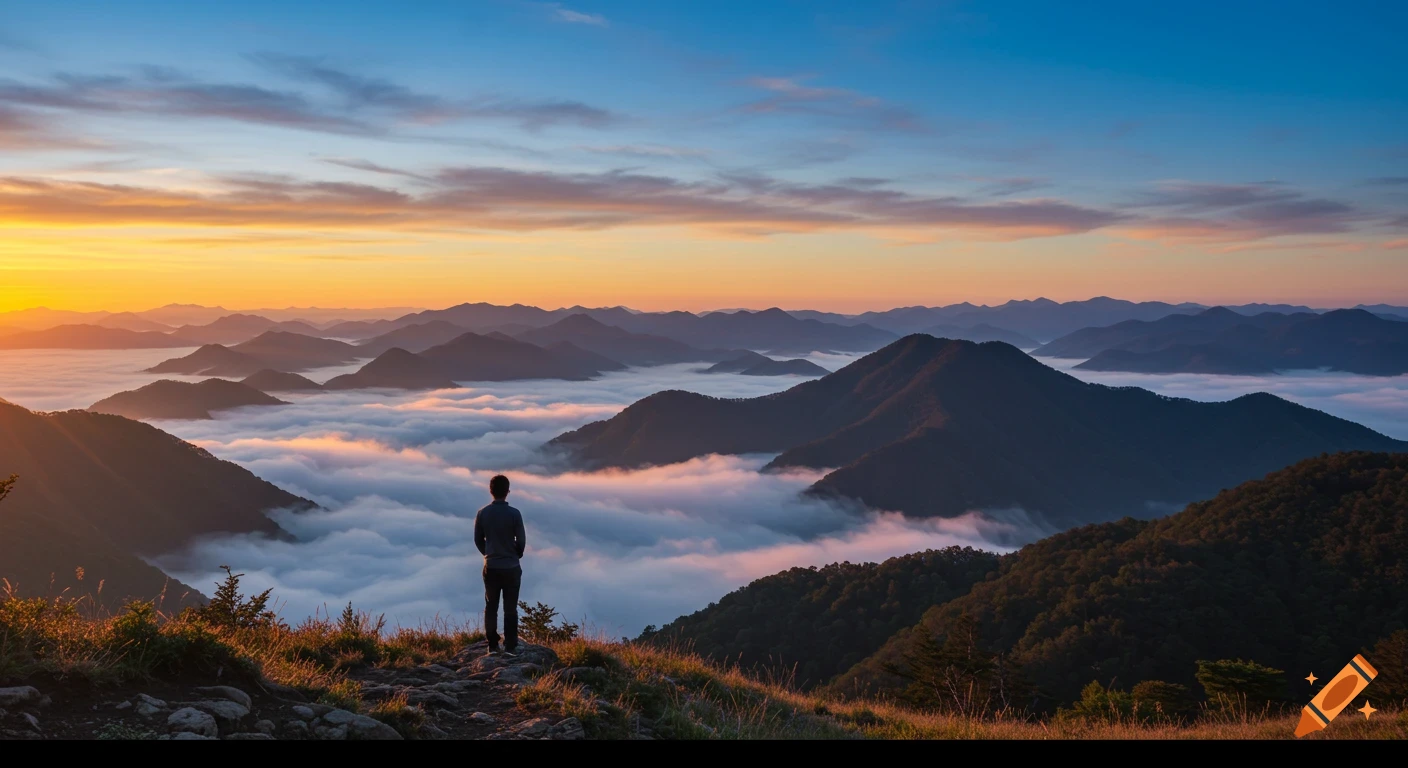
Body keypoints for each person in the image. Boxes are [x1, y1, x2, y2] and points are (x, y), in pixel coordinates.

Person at [474, 474, 526, 655]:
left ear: (491, 491)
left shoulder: (483, 513)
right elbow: (521, 540)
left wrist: (489, 554)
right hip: (511, 567)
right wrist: (515, 554)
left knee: (491, 606)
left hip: (491, 567)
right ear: (508, 492)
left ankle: (493, 644)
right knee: (510, 607)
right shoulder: (514, 514)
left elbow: (478, 540)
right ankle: (511, 645)